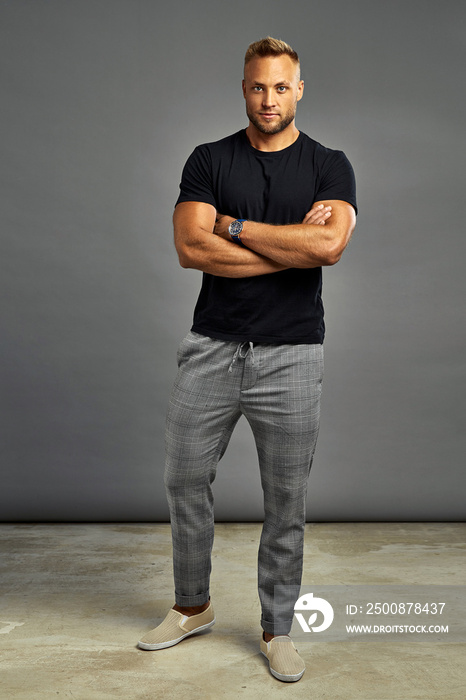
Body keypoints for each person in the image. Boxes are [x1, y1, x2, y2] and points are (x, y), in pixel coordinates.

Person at [138, 37, 357, 682]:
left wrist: (233, 227)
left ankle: (278, 629)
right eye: (258, 87)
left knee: (285, 497)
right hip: (212, 346)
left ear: (298, 90)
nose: (269, 99)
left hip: (292, 353)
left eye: (281, 87)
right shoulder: (209, 159)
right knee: (184, 480)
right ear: (243, 88)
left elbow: (332, 245)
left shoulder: (329, 165)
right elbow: (188, 248)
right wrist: (294, 246)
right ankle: (191, 605)